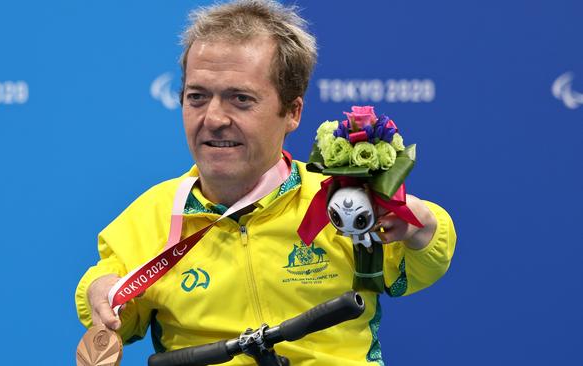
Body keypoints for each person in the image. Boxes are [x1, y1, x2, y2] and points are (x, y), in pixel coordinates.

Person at [75, 1, 456, 364]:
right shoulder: (150, 216)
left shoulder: (340, 199)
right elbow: (114, 306)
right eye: (197, 97)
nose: (214, 118)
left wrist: (420, 224)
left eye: (240, 99)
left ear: (292, 112)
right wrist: (100, 293)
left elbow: (419, 263)